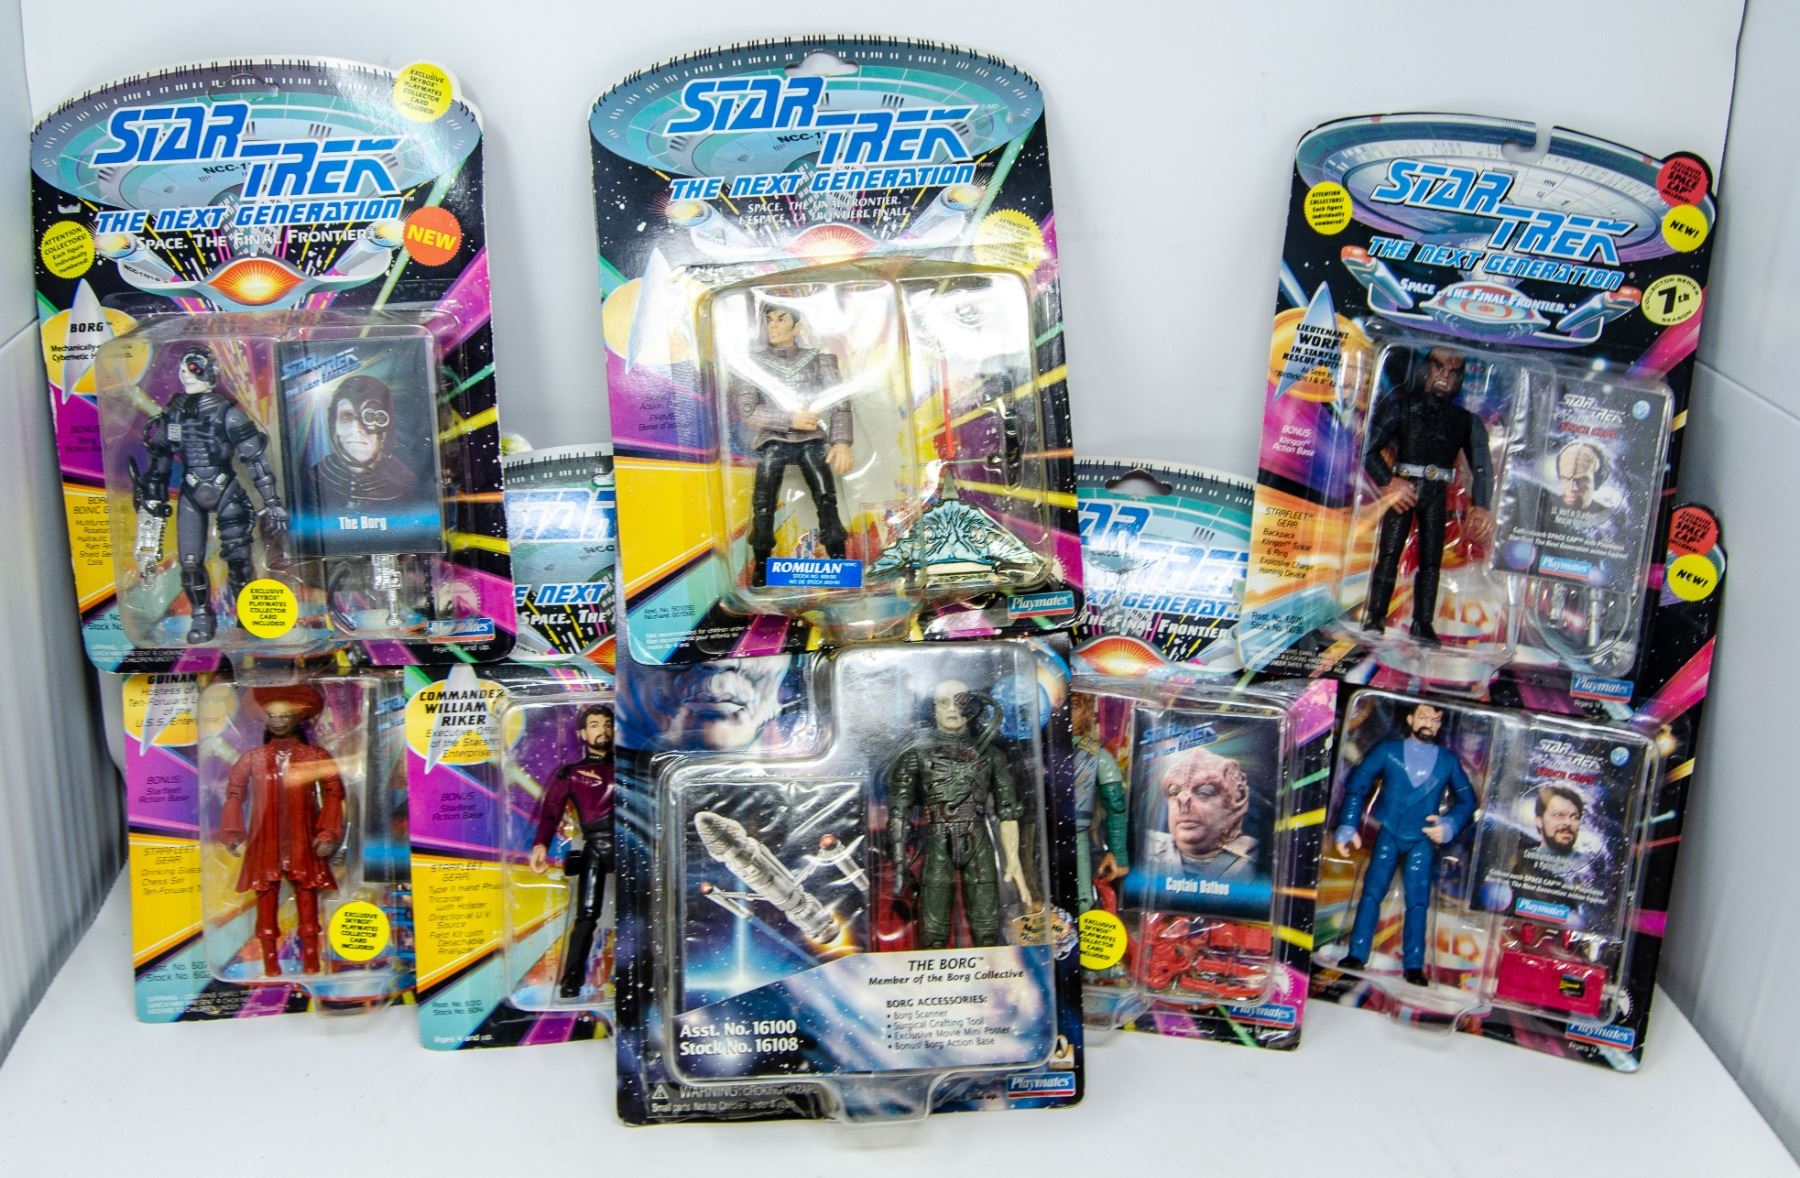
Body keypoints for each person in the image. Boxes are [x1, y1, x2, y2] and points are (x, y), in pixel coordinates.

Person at [133, 343, 288, 643]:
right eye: (182, 368)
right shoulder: (173, 416)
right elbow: (160, 458)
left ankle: (249, 613)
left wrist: (272, 502)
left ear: (210, 372)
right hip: (191, 491)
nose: (185, 374)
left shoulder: (229, 415)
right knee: (190, 562)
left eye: (193, 367)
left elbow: (255, 460)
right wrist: (153, 496)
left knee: (239, 559)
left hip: (225, 489)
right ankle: (202, 616)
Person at [1333, 701, 1478, 986]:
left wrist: (1450, 824)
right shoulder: (1388, 750)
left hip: (1422, 840)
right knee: (1371, 893)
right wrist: (1348, 824)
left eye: (1435, 719)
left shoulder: (1447, 760)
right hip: (1388, 834)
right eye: (1423, 717)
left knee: (1418, 902)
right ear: (1410, 719)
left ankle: (1414, 964)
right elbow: (1357, 784)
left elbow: (1467, 800)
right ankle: (1357, 953)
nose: (1429, 724)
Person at [1362, 346, 1494, 643]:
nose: (1445, 375)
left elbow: (1482, 467)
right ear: (1425, 369)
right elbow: (1367, 449)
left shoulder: (1466, 421)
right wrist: (1389, 481)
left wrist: (1482, 505)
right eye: (1439, 367)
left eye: (1453, 371)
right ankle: (1375, 617)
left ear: (1460, 378)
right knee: (1389, 555)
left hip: (1436, 494)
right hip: (1404, 490)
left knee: (1431, 561)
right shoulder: (1401, 406)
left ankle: (1422, 623)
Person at [888, 680, 1032, 948]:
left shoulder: (991, 755)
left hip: (977, 839)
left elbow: (1008, 811)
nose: (952, 709)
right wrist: (899, 866)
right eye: (944, 702)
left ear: (973, 706)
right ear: (934, 708)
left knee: (987, 928)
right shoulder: (916, 756)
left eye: (960, 701)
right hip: (938, 839)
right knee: (933, 932)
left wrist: (1013, 860)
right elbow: (899, 811)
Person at [219, 685, 343, 976]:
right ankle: (270, 967)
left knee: (308, 905)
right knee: (265, 905)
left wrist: (327, 832)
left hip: (304, 841)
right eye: (272, 716)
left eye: (284, 715)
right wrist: (234, 832)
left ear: (297, 718)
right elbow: (234, 792)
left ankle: (312, 964)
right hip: (265, 842)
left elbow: (334, 792)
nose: (277, 721)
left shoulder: (314, 755)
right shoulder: (253, 758)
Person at [730, 302, 852, 586]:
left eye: (781, 319)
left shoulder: (819, 360)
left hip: (811, 440)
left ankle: (838, 557)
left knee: (826, 496)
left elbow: (840, 401)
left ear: (797, 327)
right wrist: (790, 419)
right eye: (769, 320)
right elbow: (748, 411)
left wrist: (842, 441)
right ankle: (762, 563)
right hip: (773, 440)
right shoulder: (750, 363)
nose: (773, 326)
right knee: (763, 502)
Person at [529, 704, 615, 999]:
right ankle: (571, 980)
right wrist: (540, 844)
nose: (602, 731)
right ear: (582, 733)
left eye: (607, 724)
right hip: (595, 847)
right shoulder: (572, 773)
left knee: (639, 913)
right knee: (586, 917)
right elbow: (551, 812)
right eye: (595, 725)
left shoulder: (629, 769)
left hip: (629, 845)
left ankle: (639, 973)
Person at [1142, 745, 1259, 881]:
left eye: (1204, 792)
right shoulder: (1145, 846)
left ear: (1239, 796)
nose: (1182, 802)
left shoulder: (1260, 860)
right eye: (1174, 792)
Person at [310, 374, 418, 517]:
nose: (356, 428)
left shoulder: (405, 484)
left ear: (387, 425)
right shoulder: (315, 477)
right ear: (333, 423)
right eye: (346, 416)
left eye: (370, 417)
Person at [1071, 693, 1128, 912]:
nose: (1065, 714)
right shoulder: (1037, 752)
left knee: (1082, 898)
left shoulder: (1095, 755)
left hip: (1078, 835)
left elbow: (1115, 805)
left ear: (1086, 710)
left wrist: (1118, 853)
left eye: (1074, 705)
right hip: (1037, 835)